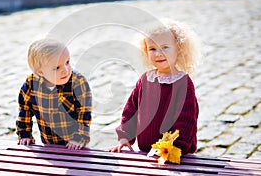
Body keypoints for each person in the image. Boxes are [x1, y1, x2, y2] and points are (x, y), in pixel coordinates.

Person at [109, 19, 201, 155]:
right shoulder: (145, 80)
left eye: (165, 47)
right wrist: (125, 137)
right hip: (146, 152)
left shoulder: (183, 83)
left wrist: (174, 147)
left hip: (173, 153)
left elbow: (186, 119)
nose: (158, 53)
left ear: (179, 49)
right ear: (146, 51)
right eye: (152, 49)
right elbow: (131, 111)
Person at [16, 38, 92, 150]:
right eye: (57, 67)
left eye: (67, 62)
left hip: (74, 144)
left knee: (77, 165)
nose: (65, 70)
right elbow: (25, 110)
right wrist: (24, 134)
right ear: (40, 72)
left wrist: (80, 137)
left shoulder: (78, 82)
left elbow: (84, 113)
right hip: (48, 143)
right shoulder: (31, 84)